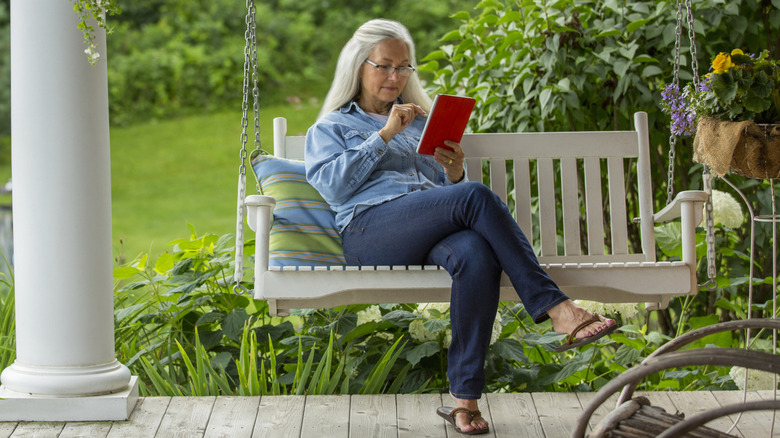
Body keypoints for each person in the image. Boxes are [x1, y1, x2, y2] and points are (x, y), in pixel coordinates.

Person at [304, 18, 618, 435]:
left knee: (474, 252)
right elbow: (333, 187)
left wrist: (452, 173)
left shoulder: (420, 122)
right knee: (476, 196)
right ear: (358, 66)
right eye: (384, 66)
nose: (395, 76)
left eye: (404, 67)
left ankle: (464, 401)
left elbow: (441, 196)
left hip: (422, 227)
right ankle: (559, 309)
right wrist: (382, 136)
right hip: (370, 232)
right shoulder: (331, 127)